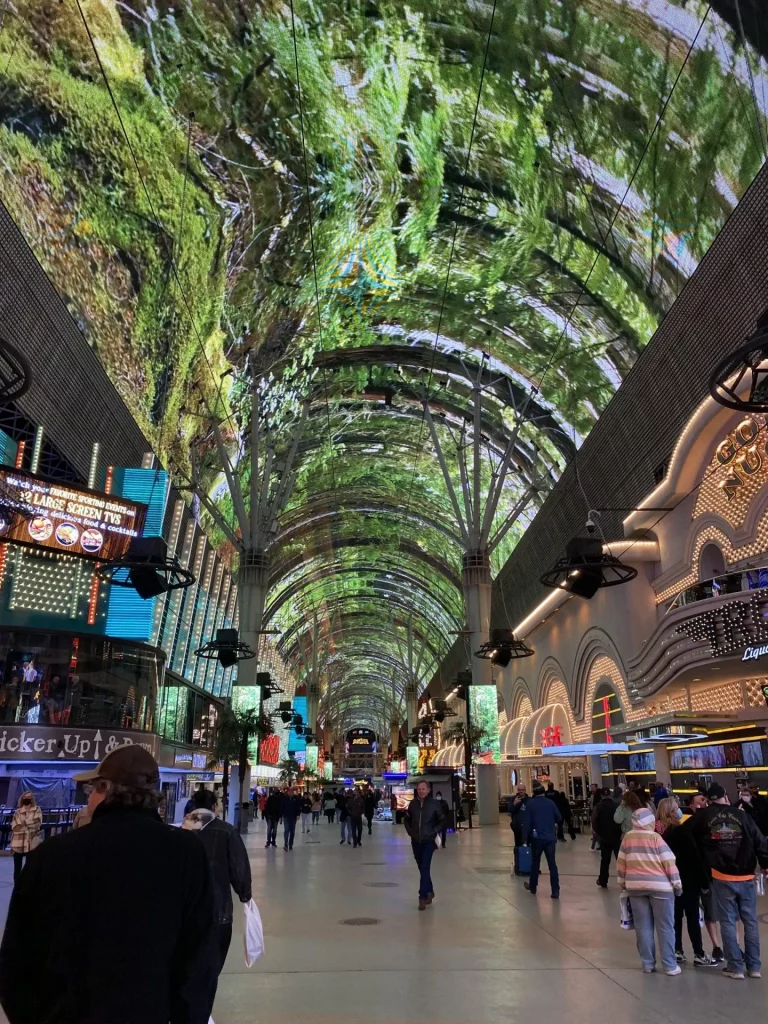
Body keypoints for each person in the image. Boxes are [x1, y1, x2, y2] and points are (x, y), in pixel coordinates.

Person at [0, 745, 216, 1024]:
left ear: (105, 790)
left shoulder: (54, 854)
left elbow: (18, 956)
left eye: (91, 790)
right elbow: (199, 956)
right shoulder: (188, 853)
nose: (89, 798)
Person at [688, 783, 768, 979]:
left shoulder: (703, 817)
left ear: (708, 799)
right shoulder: (741, 815)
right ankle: (754, 967)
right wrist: (765, 864)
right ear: (725, 795)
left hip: (721, 876)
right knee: (750, 921)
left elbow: (684, 835)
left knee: (728, 922)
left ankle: (735, 967)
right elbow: (759, 841)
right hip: (747, 876)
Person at [182, 789, 252, 978]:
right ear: (214, 806)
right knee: (212, 968)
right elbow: (238, 866)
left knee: (188, 966)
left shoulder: (181, 831)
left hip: (184, 912)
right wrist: (245, 894)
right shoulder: (226, 831)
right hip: (218, 910)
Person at [617, 807, 682, 975]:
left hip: (635, 887)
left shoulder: (627, 838)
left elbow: (621, 863)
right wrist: (677, 884)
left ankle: (647, 964)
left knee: (643, 926)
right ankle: (669, 965)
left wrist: (623, 882)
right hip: (660, 887)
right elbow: (669, 862)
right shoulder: (656, 838)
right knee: (665, 926)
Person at [655, 797, 717, 967]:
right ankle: (698, 953)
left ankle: (677, 950)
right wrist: (704, 881)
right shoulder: (681, 832)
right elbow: (694, 858)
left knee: (674, 918)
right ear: (672, 812)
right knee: (692, 917)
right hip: (687, 881)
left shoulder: (657, 833)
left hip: (666, 882)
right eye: (676, 809)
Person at [403, 780, 445, 911]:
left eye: (423, 789)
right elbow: (407, 819)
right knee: (422, 868)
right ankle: (430, 891)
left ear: (428, 790)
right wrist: (410, 832)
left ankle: (422, 897)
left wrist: (434, 831)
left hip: (428, 841)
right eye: (419, 789)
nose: (421, 791)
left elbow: (443, 820)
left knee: (425, 867)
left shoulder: (434, 804)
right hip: (416, 841)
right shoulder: (413, 804)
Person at [523, 783, 561, 899]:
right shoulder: (551, 803)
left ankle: (533, 887)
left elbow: (527, 823)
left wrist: (524, 839)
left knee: (535, 862)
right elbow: (559, 818)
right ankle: (555, 890)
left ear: (534, 793)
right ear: (543, 792)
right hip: (550, 838)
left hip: (537, 838)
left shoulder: (530, 804)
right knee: (552, 864)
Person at [9, 791, 42, 884]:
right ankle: (17, 887)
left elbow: (37, 823)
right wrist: (29, 824)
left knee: (30, 867)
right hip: (18, 843)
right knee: (17, 869)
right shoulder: (17, 812)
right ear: (22, 799)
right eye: (25, 797)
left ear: (32, 799)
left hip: (31, 843)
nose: (27, 799)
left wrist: (23, 823)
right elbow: (15, 827)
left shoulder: (37, 810)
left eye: (29, 797)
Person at [593, 787, 622, 888]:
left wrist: (598, 833)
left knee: (605, 860)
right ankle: (624, 880)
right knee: (620, 859)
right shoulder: (617, 806)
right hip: (617, 836)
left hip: (604, 837)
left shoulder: (598, 806)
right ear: (609, 794)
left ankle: (603, 880)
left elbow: (594, 821)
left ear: (601, 795)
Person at [508, 783, 529, 848]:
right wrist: (515, 804)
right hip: (517, 826)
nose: (521, 791)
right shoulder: (513, 799)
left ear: (525, 790)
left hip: (527, 826)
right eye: (519, 790)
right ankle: (518, 857)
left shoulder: (529, 800)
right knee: (518, 845)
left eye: (522, 790)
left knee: (527, 844)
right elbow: (510, 810)